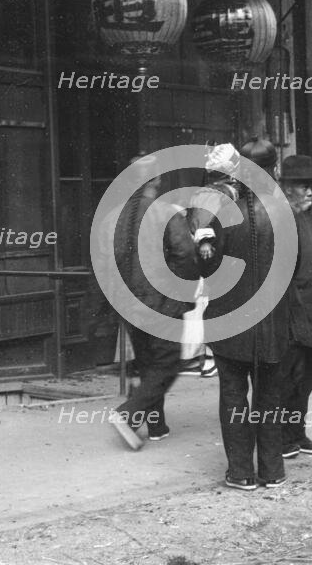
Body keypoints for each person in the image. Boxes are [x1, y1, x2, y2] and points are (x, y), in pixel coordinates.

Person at [202, 136, 291, 491]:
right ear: (274, 169)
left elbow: (206, 265)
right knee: (270, 396)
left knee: (234, 394)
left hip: (231, 321)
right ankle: (273, 471)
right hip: (273, 322)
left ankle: (241, 472)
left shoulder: (224, 210)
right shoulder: (284, 211)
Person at [96, 153, 199, 450]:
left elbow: (104, 265)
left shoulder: (111, 218)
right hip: (161, 304)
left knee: (148, 363)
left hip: (128, 304)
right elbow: (187, 256)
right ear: (157, 180)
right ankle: (128, 414)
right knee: (167, 365)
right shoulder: (165, 212)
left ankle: (157, 425)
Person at [279, 155, 312, 458]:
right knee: (290, 379)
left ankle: (297, 434)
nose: (310, 191)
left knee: (307, 377)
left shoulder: (306, 216)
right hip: (293, 313)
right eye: (303, 186)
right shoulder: (284, 219)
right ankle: (285, 439)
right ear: (287, 188)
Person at [179, 143, 242, 378]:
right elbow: (205, 224)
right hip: (210, 255)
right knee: (207, 306)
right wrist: (206, 242)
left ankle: (202, 357)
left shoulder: (205, 192)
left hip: (207, 253)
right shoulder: (218, 194)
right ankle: (205, 359)